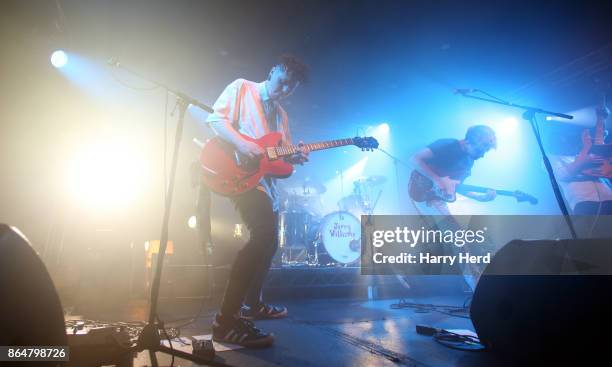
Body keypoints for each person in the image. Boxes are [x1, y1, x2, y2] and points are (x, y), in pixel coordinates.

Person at [205, 55, 309, 347]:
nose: (284, 90)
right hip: (237, 174)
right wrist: (243, 144)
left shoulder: (281, 116)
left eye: (291, 88)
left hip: (264, 184)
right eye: (282, 81)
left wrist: (294, 157)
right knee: (263, 235)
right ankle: (224, 321)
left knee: (270, 242)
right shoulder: (242, 87)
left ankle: (253, 305)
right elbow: (215, 118)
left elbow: (280, 153)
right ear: (272, 70)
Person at [409, 125, 498, 215]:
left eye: (484, 152)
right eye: (479, 151)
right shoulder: (446, 145)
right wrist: (437, 179)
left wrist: (478, 197)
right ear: (467, 142)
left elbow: (456, 186)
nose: (482, 155)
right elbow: (415, 159)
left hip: (437, 198)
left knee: (450, 226)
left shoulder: (469, 161)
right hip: (420, 190)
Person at [551, 106, 612, 215]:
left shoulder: (586, 153)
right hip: (584, 203)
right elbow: (561, 175)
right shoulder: (553, 157)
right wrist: (583, 160)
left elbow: (600, 135)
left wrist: (602, 117)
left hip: (609, 197)